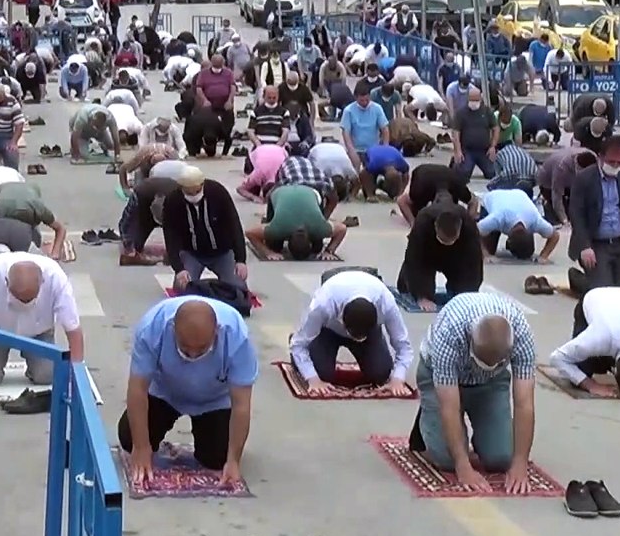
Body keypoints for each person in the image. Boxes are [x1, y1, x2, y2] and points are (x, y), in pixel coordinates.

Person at [120, 297, 257, 485]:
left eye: (201, 349)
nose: (192, 355)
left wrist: (233, 460)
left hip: (213, 399)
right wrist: (141, 446)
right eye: (185, 347)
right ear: (172, 328)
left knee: (217, 458)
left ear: (217, 331)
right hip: (165, 392)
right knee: (129, 438)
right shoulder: (152, 328)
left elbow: (242, 404)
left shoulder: (237, 336)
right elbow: (137, 389)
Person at [408, 292, 536, 494]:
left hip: (490, 384)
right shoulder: (450, 332)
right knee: (446, 460)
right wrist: (463, 466)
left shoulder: (521, 333)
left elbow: (524, 403)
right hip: (441, 379)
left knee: (501, 458)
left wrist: (520, 463)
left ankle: (482, 430)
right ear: (470, 342)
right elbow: (449, 407)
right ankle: (428, 415)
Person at [0, 251, 83, 409]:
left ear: (42, 282)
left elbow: (73, 330)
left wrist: (77, 381)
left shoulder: (56, 278)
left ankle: (34, 366)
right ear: (6, 282)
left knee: (48, 375)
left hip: (39, 332)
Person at [289, 271, 414, 393]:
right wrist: (312, 379)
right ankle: (303, 350)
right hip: (328, 330)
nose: (357, 340)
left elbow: (404, 346)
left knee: (380, 373)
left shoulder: (386, 304)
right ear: (342, 321)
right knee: (322, 374)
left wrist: (398, 378)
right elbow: (299, 345)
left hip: (366, 329)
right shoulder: (323, 305)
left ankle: (372, 345)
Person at [567, 136, 620, 291]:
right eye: (611, 162)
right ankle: (579, 279)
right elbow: (576, 214)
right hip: (596, 243)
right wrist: (585, 246)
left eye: (619, 162)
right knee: (602, 290)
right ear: (600, 157)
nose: (615, 166)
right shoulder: (584, 179)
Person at [163, 166, 247, 291]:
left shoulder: (217, 192)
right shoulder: (173, 200)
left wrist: (241, 260)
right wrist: (179, 269)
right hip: (192, 253)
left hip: (222, 252)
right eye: (189, 193)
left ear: (202, 184)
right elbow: (170, 236)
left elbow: (234, 225)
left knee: (237, 289)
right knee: (182, 288)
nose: (193, 196)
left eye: (196, 192)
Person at [397, 204, 484, 312]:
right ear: (435, 226)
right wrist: (422, 296)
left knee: (464, 292)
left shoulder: (468, 225)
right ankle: (414, 288)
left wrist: (468, 294)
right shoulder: (423, 221)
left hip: (457, 254)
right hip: (427, 252)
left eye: (450, 241)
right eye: (443, 240)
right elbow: (414, 260)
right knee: (407, 285)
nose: (446, 243)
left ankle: (458, 288)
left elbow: (474, 264)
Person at [245, 184, 346, 261]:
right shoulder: (279, 228)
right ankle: (270, 225)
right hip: (285, 192)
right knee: (274, 245)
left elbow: (342, 229)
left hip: (306, 191)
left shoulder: (318, 228)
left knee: (317, 247)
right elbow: (249, 233)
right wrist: (268, 252)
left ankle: (269, 226)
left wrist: (267, 252)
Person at [0, 181, 69, 261]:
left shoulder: (37, 207)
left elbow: (60, 229)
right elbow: (61, 229)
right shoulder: (0, 208)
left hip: (10, 203)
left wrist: (54, 255)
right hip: (1, 195)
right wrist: (54, 255)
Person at [477, 188, 560, 263]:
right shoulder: (498, 218)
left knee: (526, 254)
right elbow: (475, 231)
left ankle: (520, 250)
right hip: (492, 198)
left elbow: (555, 235)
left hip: (519, 195)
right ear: (508, 240)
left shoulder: (535, 220)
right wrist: (485, 255)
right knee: (488, 249)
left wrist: (543, 256)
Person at [396, 163, 476, 225]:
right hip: (423, 173)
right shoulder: (419, 190)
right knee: (415, 213)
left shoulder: (458, 187)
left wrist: (468, 223)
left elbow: (474, 202)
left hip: (447, 175)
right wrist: (413, 223)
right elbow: (401, 201)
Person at [537, 145, 597, 225]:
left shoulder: (594, 157)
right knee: (560, 211)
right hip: (548, 182)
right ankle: (548, 207)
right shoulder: (562, 168)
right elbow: (556, 197)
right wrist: (564, 220)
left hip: (571, 181)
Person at [341, 81, 390, 170]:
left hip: (373, 149)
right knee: (354, 172)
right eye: (361, 101)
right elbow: (346, 133)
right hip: (356, 149)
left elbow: (385, 129)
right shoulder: (348, 111)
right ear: (356, 98)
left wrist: (385, 148)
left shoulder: (377, 108)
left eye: (367, 100)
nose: (364, 103)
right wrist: (351, 150)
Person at [451, 87, 497, 179]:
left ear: (480, 99)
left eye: (476, 100)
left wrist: (493, 146)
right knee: (463, 174)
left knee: (491, 173)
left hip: (484, 151)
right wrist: (458, 151)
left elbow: (496, 129)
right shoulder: (461, 113)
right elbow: (456, 132)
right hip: (467, 151)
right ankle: (454, 164)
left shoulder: (487, 111)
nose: (474, 103)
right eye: (472, 100)